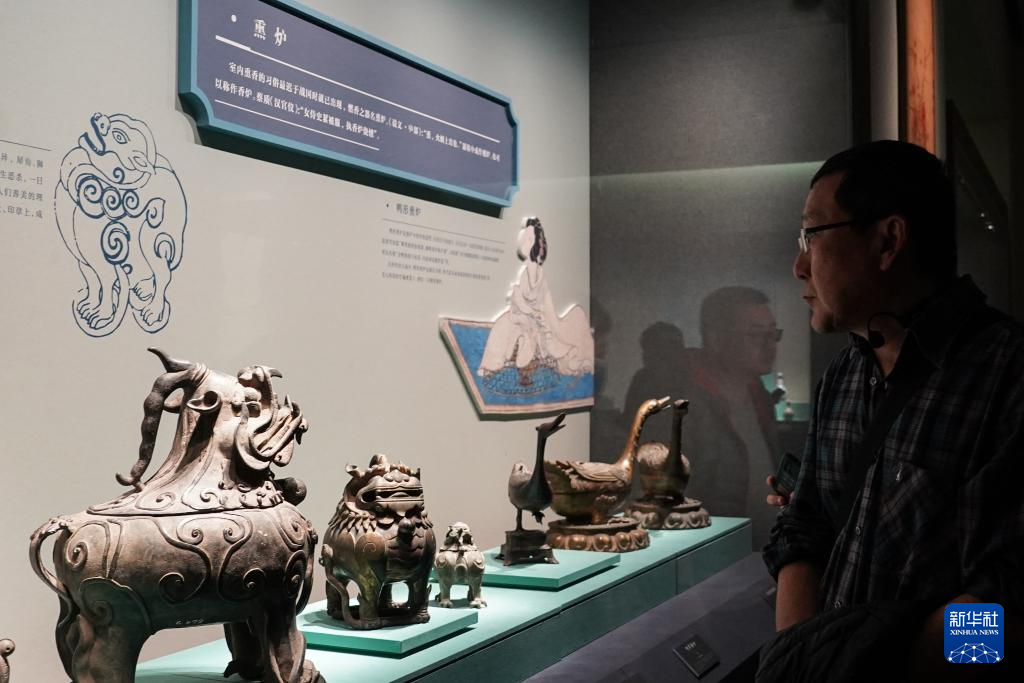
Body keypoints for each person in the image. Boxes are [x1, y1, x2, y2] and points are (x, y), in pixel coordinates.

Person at [760, 140, 1023, 681]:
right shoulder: (844, 374)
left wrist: (870, 664)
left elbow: (1009, 618)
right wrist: (802, 658)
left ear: (888, 241)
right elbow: (803, 527)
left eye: (813, 235)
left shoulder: (1009, 376)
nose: (799, 265)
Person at [679, 286, 782, 549]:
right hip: (715, 556)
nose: (770, 345)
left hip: (762, 552)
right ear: (716, 339)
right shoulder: (685, 405)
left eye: (773, 334)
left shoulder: (759, 396)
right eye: (755, 334)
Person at [478, 217, 594, 383]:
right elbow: (522, 302)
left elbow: (542, 307)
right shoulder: (526, 272)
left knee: (506, 327)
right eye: (525, 238)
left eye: (529, 239)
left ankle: (504, 366)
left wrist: (524, 306)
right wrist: (518, 301)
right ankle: (492, 365)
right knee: (501, 325)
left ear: (536, 244)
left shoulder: (537, 274)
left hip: (534, 319)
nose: (524, 242)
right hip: (524, 316)